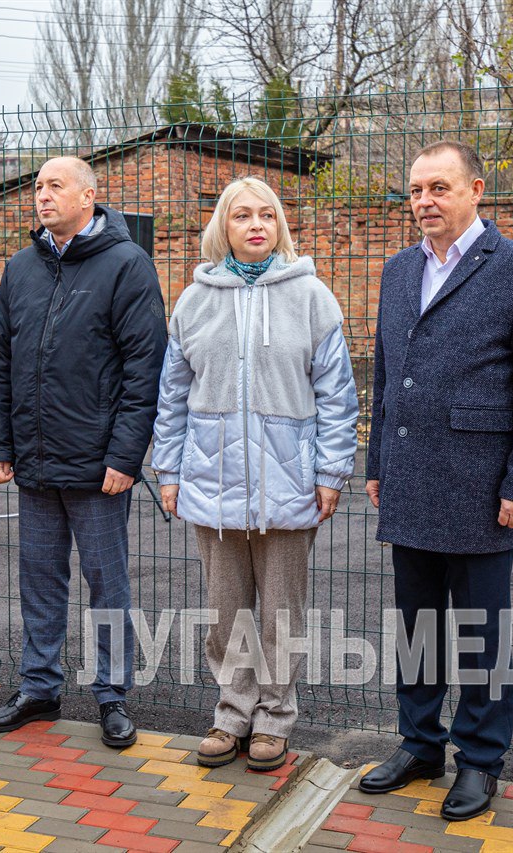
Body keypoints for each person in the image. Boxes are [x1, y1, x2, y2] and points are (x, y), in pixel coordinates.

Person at [358, 140, 513, 820]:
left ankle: (479, 759)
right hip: (410, 479)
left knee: (480, 635)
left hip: (483, 489)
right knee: (417, 627)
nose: (424, 201)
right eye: (416, 189)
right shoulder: (398, 270)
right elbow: (389, 373)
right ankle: (420, 743)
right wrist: (378, 463)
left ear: (476, 190)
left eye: (439, 187)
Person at [150, 177, 358, 772]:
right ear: (224, 226)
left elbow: (338, 395)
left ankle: (274, 718)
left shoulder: (312, 296)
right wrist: (169, 469)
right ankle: (232, 713)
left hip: (288, 480)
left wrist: (331, 471)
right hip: (211, 482)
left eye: (267, 214)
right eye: (242, 215)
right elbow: (172, 396)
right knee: (225, 609)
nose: (256, 225)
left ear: (281, 225)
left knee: (280, 612)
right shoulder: (194, 301)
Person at [0, 156, 166, 748]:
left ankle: (112, 695)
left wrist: (125, 457)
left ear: (89, 196)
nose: (42, 195)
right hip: (32, 461)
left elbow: (144, 369)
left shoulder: (126, 264)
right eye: (37, 186)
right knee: (39, 579)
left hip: (97, 466)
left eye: (55, 186)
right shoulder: (21, 268)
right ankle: (39, 688)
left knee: (107, 581)